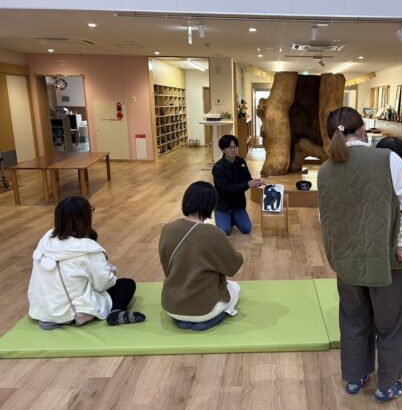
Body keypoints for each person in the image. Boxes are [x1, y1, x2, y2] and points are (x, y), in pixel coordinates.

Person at [317, 107, 402, 403]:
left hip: (347, 260)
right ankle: (387, 385)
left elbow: (326, 219)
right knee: (393, 325)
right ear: (362, 129)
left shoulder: (325, 170)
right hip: (390, 261)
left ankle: (354, 377)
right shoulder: (387, 159)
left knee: (353, 320)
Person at [28, 196, 145, 330]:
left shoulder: (46, 240)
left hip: (42, 310)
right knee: (127, 284)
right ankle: (116, 311)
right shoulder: (88, 249)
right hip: (73, 313)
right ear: (85, 217)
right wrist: (110, 270)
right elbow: (104, 284)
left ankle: (53, 318)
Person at [159, 181, 243, 331]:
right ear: (211, 205)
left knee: (183, 308)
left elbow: (167, 268)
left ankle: (181, 319)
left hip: (171, 305)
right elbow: (232, 267)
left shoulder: (167, 229)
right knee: (235, 288)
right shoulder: (214, 233)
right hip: (205, 309)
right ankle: (210, 319)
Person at [211, 134, 264, 235]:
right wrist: (247, 184)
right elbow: (224, 189)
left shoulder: (241, 162)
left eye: (235, 146)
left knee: (247, 229)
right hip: (223, 206)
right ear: (223, 150)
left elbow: (247, 179)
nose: (233, 150)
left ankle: (233, 218)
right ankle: (226, 218)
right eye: (230, 147)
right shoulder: (218, 168)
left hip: (238, 205)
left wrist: (256, 182)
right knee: (224, 231)